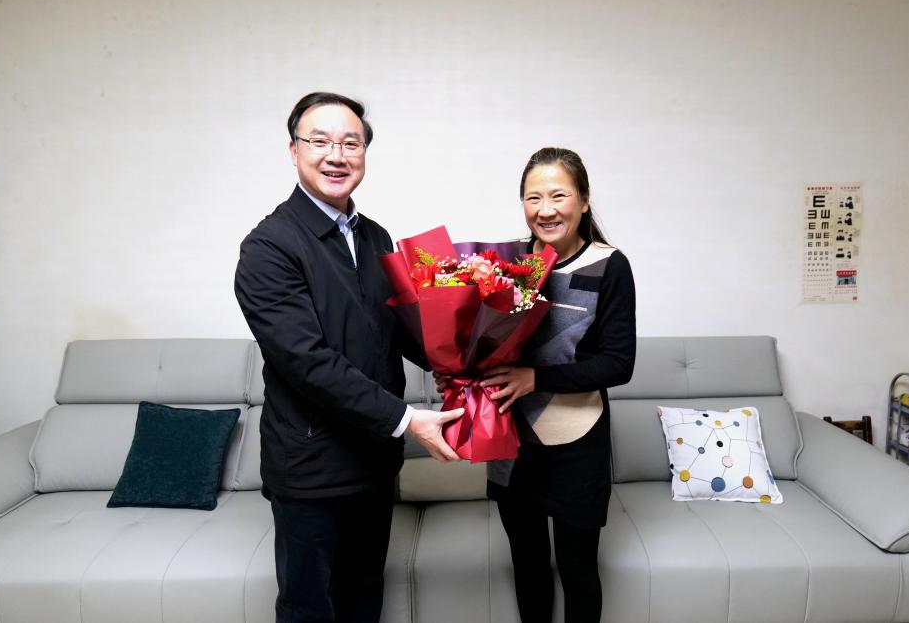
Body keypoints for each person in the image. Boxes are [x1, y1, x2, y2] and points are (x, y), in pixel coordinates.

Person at [235, 92, 463, 623]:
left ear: (364, 154)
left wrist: (461, 364)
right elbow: (307, 362)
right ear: (293, 150)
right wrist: (406, 419)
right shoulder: (268, 247)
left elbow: (396, 330)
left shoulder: (374, 236)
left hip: (374, 461)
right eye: (320, 141)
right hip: (312, 468)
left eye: (351, 143)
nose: (336, 155)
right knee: (310, 609)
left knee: (364, 599)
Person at [463, 147, 636, 623]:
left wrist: (535, 378)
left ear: (584, 200)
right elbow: (479, 343)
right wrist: (459, 371)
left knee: (578, 571)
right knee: (528, 567)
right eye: (533, 197)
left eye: (559, 195)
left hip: (577, 442)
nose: (545, 209)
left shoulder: (609, 266)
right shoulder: (506, 263)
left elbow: (619, 364)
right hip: (510, 441)